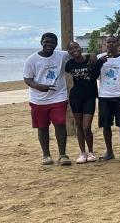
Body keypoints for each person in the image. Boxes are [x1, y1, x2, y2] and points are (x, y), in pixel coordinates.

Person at [24, 32, 70, 165]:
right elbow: (27, 78)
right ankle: (46, 155)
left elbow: (76, 53)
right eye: (46, 42)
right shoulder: (32, 59)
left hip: (58, 97)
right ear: (41, 42)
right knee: (42, 127)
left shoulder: (61, 55)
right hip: (38, 99)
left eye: (52, 42)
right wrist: (38, 86)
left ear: (56, 44)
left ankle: (62, 155)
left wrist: (92, 57)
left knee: (60, 125)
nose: (49, 44)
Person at [95, 36, 120, 161]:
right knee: (106, 125)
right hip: (104, 96)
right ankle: (109, 152)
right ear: (105, 44)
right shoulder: (100, 58)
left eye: (113, 42)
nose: (110, 44)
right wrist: (100, 63)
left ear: (118, 43)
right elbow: (93, 75)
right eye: (108, 42)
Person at [64, 41, 98, 164]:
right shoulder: (69, 64)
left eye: (76, 47)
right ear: (69, 52)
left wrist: (92, 54)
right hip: (76, 97)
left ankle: (91, 151)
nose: (74, 50)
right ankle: (82, 153)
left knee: (86, 126)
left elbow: (96, 57)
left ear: (80, 47)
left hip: (90, 96)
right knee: (79, 125)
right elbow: (67, 79)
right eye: (71, 48)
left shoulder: (90, 59)